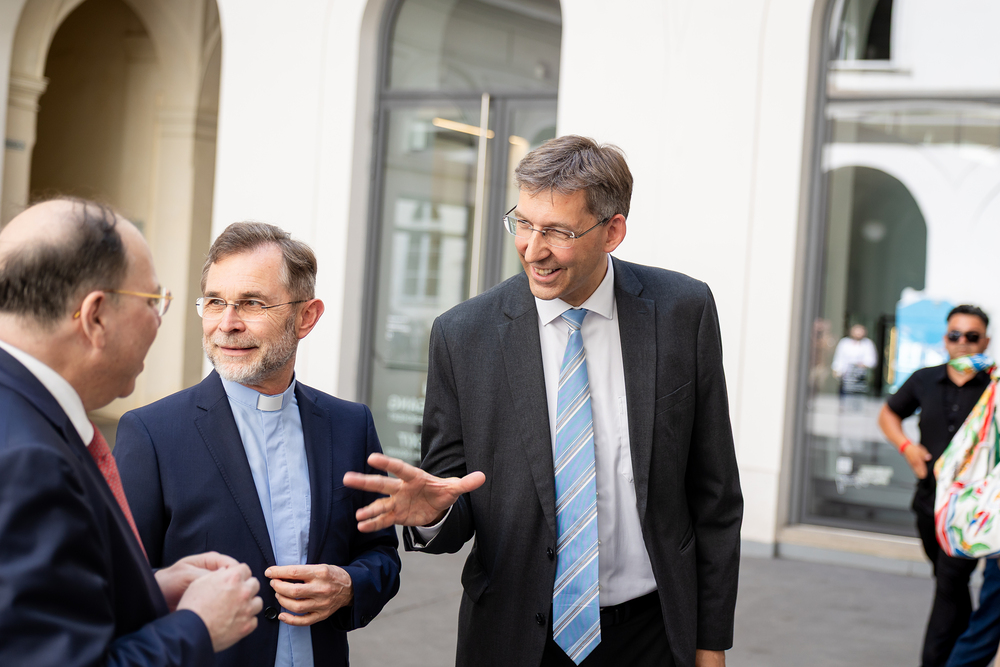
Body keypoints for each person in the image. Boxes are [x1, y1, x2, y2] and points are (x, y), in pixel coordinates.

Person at [344, 135, 743, 667]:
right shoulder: (463, 336)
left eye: (558, 231)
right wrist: (432, 515)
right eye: (524, 223)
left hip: (651, 635)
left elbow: (715, 495)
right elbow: (452, 492)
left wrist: (710, 643)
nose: (533, 249)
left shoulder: (682, 312)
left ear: (612, 231)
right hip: (513, 638)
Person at [114, 222, 401, 667]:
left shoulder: (350, 425)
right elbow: (119, 582)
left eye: (252, 303)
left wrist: (348, 585)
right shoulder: (151, 434)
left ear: (306, 317)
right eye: (215, 302)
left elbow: (381, 554)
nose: (227, 324)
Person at [0, 198, 262, 666]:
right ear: (96, 316)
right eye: (153, 301)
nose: (160, 320)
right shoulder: (30, 460)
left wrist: (144, 590)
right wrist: (198, 626)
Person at [878, 304, 993, 667]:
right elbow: (889, 413)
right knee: (949, 585)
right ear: (945, 339)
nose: (962, 342)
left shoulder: (994, 386)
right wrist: (907, 448)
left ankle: (939, 661)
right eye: (955, 335)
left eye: (972, 336)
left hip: (969, 508)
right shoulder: (924, 379)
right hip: (929, 502)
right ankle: (966, 646)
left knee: (949, 583)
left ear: (985, 341)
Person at [832, 323, 878, 396]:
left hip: (860, 377)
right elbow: (839, 357)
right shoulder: (844, 343)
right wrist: (836, 369)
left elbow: (871, 361)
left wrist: (861, 364)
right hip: (846, 376)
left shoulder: (867, 344)